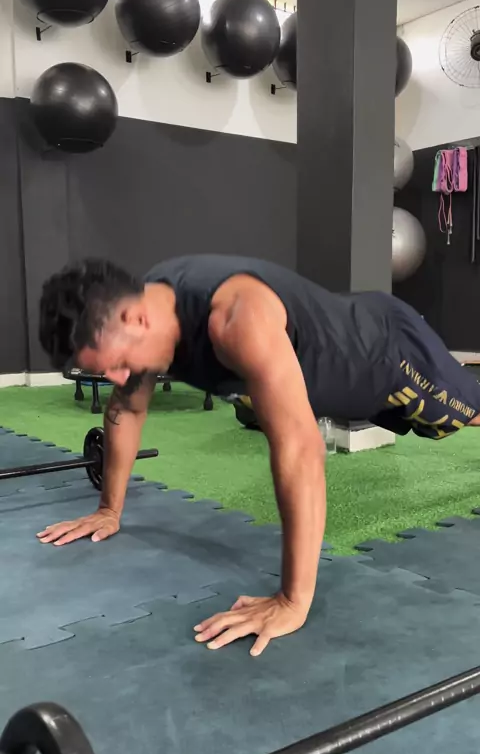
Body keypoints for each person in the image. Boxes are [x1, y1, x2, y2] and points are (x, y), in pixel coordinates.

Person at [38, 254, 480, 656]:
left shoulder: (236, 319)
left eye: (116, 362)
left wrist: (292, 601)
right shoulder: (150, 305)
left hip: (388, 353)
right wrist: (108, 510)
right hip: (338, 374)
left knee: (467, 416)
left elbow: (301, 450)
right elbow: (128, 408)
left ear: (134, 317)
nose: (118, 378)